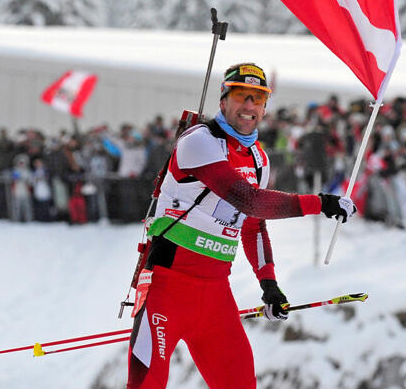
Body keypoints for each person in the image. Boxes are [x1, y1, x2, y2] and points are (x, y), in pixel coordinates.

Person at [127, 63, 357, 389]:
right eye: (240, 96)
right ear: (223, 101)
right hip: (168, 287)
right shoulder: (200, 140)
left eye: (257, 99)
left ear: (265, 108)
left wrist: (269, 285)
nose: (248, 106)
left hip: (216, 297)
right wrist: (320, 203)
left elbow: (252, 226)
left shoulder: (258, 158)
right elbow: (248, 200)